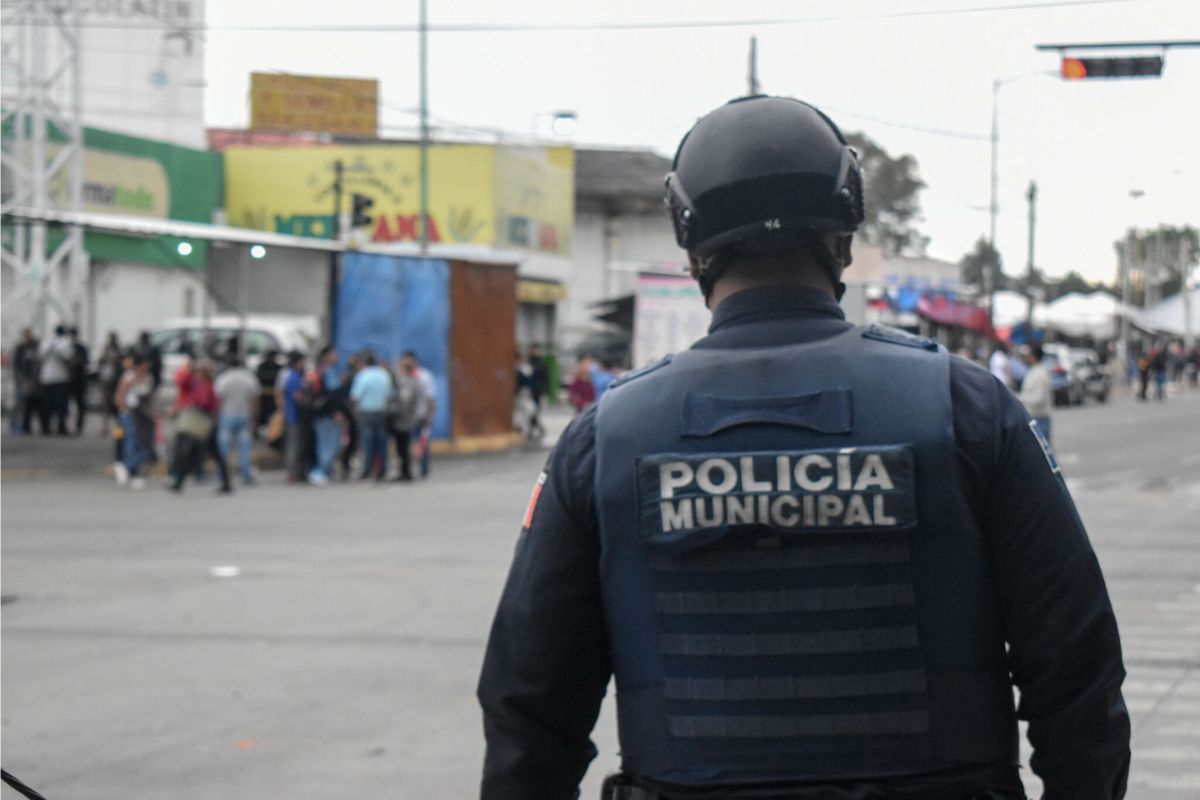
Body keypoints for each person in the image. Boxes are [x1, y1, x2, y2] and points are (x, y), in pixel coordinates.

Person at [478, 96, 1129, 800]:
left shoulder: (605, 437)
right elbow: (1077, 672)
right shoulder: (967, 407)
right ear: (844, 236)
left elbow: (529, 709)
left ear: (692, 247)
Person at [168, 359, 232, 494]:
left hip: (201, 424)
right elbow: (182, 381)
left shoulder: (204, 385)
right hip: (203, 424)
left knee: (193, 453)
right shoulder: (203, 384)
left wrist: (192, 405)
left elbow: (204, 402)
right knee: (206, 454)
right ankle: (179, 482)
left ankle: (179, 482)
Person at [215, 356, 260, 486]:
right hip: (245, 415)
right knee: (244, 447)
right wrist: (255, 416)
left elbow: (218, 399)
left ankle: (222, 475)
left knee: (223, 447)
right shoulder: (249, 378)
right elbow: (255, 399)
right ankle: (246, 475)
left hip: (227, 415)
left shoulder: (223, 379)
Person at [113, 353, 155, 491]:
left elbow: (149, 399)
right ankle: (128, 468)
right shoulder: (128, 378)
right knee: (130, 442)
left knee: (143, 444)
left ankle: (129, 467)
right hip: (129, 415)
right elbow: (119, 398)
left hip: (143, 415)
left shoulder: (148, 378)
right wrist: (128, 409)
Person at [350, 351, 392, 480]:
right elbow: (390, 395)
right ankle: (382, 470)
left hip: (366, 412)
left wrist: (354, 412)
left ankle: (367, 470)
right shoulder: (384, 375)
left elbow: (355, 397)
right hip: (382, 412)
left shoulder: (363, 376)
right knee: (382, 443)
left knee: (367, 443)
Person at [306, 345, 344, 486]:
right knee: (330, 444)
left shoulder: (319, 371)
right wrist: (336, 412)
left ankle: (324, 471)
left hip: (320, 413)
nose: (336, 356)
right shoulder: (328, 372)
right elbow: (333, 395)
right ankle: (319, 471)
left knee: (324, 444)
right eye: (333, 353)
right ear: (326, 356)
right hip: (328, 414)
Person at [400, 350, 437, 478]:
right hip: (405, 417)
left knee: (422, 443)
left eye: (407, 360)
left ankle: (423, 469)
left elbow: (430, 398)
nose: (405, 363)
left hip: (420, 415)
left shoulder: (423, 376)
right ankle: (407, 470)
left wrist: (429, 416)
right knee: (405, 444)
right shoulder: (402, 377)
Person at [390, 355, 427, 482]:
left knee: (404, 447)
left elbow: (406, 401)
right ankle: (405, 471)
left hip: (404, 420)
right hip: (406, 419)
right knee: (402, 447)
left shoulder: (408, 382)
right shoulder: (408, 381)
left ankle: (407, 472)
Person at [280, 351, 310, 482]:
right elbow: (297, 397)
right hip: (295, 416)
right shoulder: (294, 377)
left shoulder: (293, 376)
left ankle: (296, 472)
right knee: (294, 446)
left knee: (296, 445)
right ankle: (293, 473)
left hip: (293, 415)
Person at [38, 324, 74, 435]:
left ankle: (57, 427)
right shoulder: (50, 342)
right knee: (51, 405)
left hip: (56, 377)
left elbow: (68, 357)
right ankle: (48, 427)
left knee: (58, 405)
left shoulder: (62, 342)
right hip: (52, 378)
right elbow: (40, 355)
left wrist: (57, 351)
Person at [1019, 344, 1054, 444]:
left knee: (1042, 454)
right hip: (1035, 418)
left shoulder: (1039, 374)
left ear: (1033, 357)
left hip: (1039, 418)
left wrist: (1021, 398)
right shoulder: (1034, 372)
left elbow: (1039, 399)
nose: (1025, 358)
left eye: (1028, 355)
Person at [9, 328, 39, 435]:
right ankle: (14, 426)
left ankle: (25, 426)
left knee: (27, 405)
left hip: (32, 381)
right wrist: (20, 378)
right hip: (21, 380)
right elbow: (16, 365)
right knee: (18, 403)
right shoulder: (20, 348)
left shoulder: (34, 347)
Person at [96, 332, 123, 440]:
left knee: (115, 404)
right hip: (106, 378)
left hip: (114, 379)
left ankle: (117, 426)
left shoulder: (119, 352)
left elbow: (120, 364)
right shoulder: (105, 350)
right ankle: (105, 426)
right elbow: (100, 362)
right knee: (105, 404)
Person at [68, 326, 90, 435]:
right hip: (69, 380)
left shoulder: (81, 348)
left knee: (80, 404)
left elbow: (86, 362)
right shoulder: (67, 347)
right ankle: (69, 425)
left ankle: (79, 426)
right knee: (69, 405)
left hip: (79, 380)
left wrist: (77, 362)